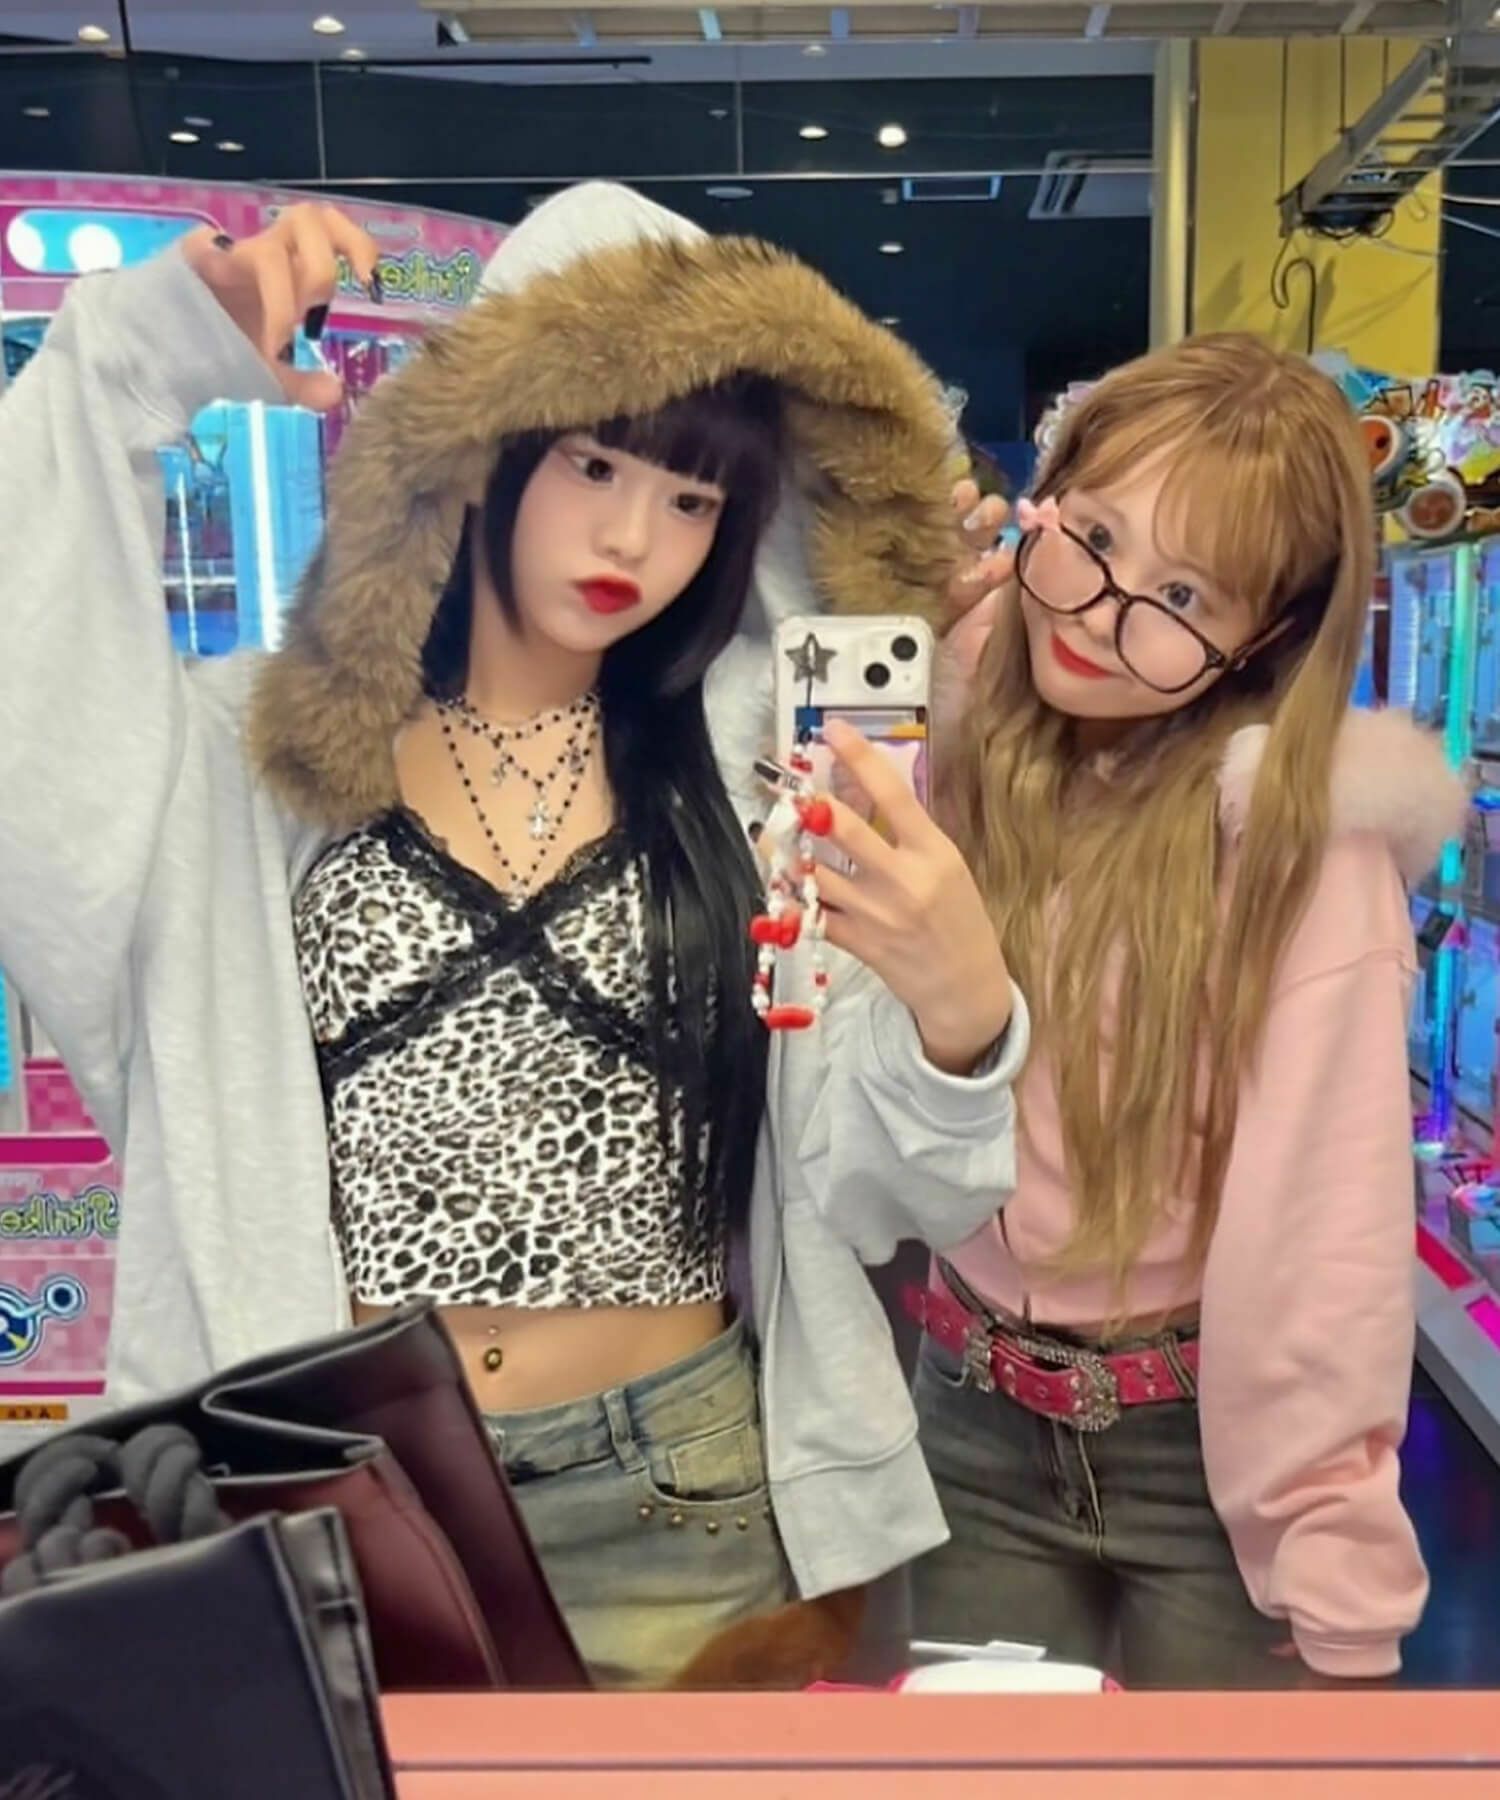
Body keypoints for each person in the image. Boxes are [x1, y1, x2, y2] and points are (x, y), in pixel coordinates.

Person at [0, 182, 1025, 1687]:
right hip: (331, 1488)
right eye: (593, 461)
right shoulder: (248, 763)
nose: (634, 535)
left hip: (679, 1496)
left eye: (693, 499)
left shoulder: (762, 776)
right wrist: (140, 356)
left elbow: (886, 1193)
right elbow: (33, 713)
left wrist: (962, 1024)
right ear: (479, 447)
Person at [909, 333, 1460, 1688]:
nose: (1099, 614)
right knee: (978, 1782)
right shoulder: (962, 741)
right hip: (966, 1409)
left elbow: (1327, 1238)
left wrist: (1339, 1585)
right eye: (1093, 537)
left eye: (1182, 593)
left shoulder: (1294, 846)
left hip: (1209, 1458)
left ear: (1265, 638)